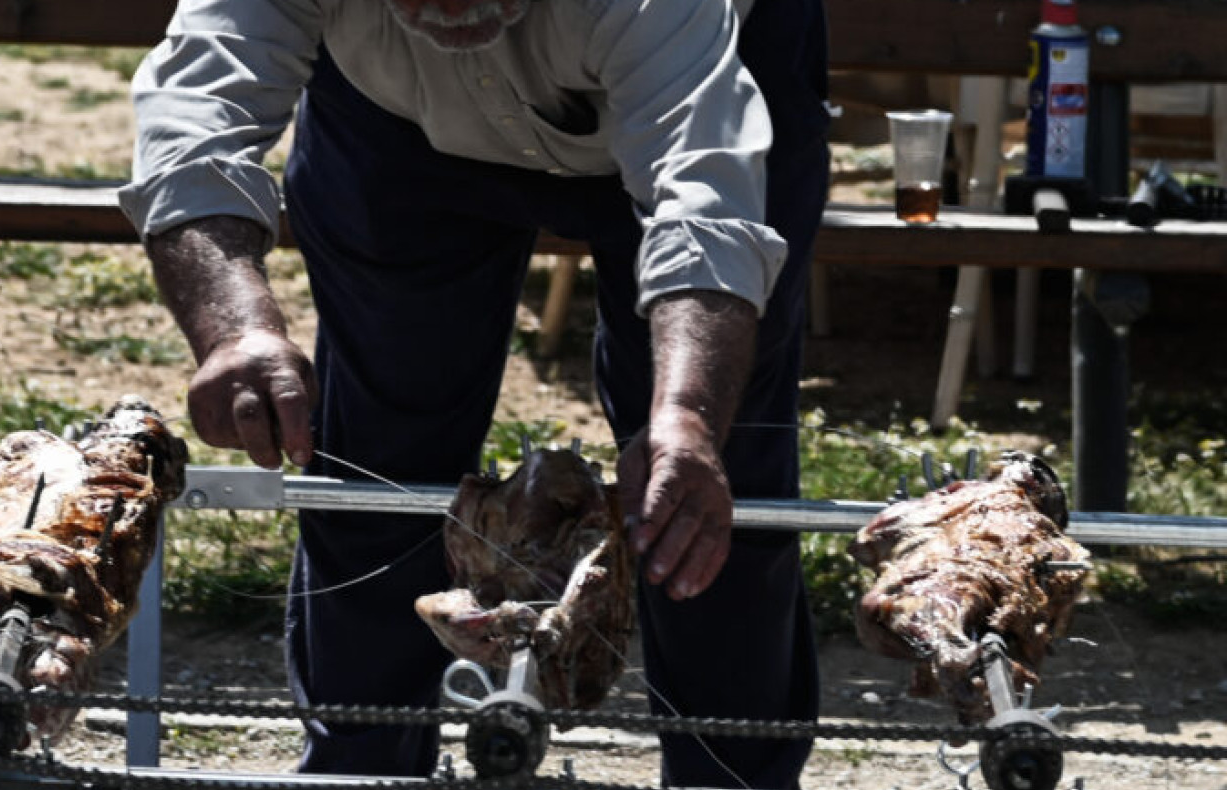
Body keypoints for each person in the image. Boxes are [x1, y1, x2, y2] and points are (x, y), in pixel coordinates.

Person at [120, 0, 831, 786]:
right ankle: (360, 766)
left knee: (697, 486)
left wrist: (688, 417)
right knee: (379, 458)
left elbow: (707, 205)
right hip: (394, 120)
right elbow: (193, 119)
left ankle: (730, 775)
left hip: (699, 85)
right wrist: (234, 329)